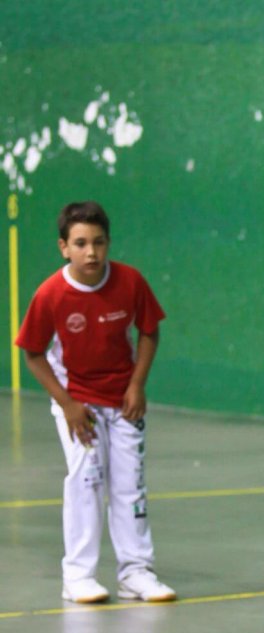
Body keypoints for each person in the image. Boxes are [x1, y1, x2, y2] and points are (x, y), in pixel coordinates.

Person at [15, 201, 176, 604]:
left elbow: (149, 331)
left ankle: (136, 573)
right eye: (81, 243)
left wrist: (138, 385)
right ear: (63, 247)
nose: (92, 252)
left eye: (99, 242)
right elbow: (32, 352)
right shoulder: (51, 294)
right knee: (87, 481)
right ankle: (79, 575)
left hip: (124, 402)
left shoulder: (130, 282)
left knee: (130, 487)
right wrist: (66, 404)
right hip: (78, 404)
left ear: (108, 243)